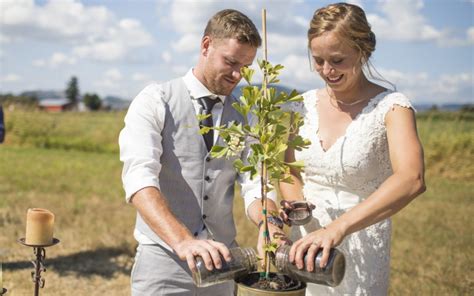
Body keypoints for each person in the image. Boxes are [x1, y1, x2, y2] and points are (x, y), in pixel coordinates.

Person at [119, 9, 284, 296]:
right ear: (206, 46)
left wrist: (268, 222)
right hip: (164, 260)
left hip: (224, 263)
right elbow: (139, 181)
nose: (237, 75)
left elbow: (255, 185)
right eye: (231, 62)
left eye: (246, 67)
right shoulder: (155, 100)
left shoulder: (248, 114)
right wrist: (183, 241)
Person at [279, 3, 426, 295]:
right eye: (318, 60)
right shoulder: (303, 104)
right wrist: (297, 205)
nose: (326, 70)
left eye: (337, 60)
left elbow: (412, 178)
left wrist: (338, 228)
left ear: (363, 50)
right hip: (306, 244)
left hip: (361, 242)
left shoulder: (392, 107)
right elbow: (289, 170)